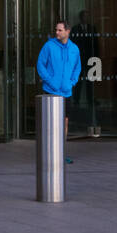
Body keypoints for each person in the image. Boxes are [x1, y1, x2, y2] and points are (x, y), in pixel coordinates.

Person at [36, 20, 82, 160]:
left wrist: (72, 82)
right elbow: (40, 64)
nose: (57, 32)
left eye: (60, 30)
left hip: (66, 92)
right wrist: (49, 80)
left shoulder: (74, 49)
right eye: (56, 30)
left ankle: (61, 153)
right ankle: (50, 153)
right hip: (51, 90)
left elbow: (77, 68)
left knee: (64, 123)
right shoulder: (49, 46)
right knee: (51, 123)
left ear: (67, 31)